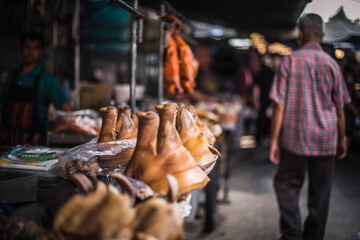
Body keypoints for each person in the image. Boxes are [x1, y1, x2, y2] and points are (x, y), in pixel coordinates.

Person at [268, 14, 350, 240]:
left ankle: (292, 234)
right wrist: (342, 139)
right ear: (322, 35)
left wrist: (274, 140)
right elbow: (341, 109)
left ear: (300, 35)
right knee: (321, 194)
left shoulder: (289, 62)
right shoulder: (332, 65)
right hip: (325, 140)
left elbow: (278, 105)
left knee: (285, 184)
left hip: (294, 140)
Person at [0, 31, 72, 146]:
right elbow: (2, 105)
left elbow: (67, 109)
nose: (31, 52)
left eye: (36, 48)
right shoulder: (12, 75)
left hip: (35, 143)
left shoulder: (47, 79)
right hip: (7, 140)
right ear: (20, 49)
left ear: (41, 52)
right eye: (27, 47)